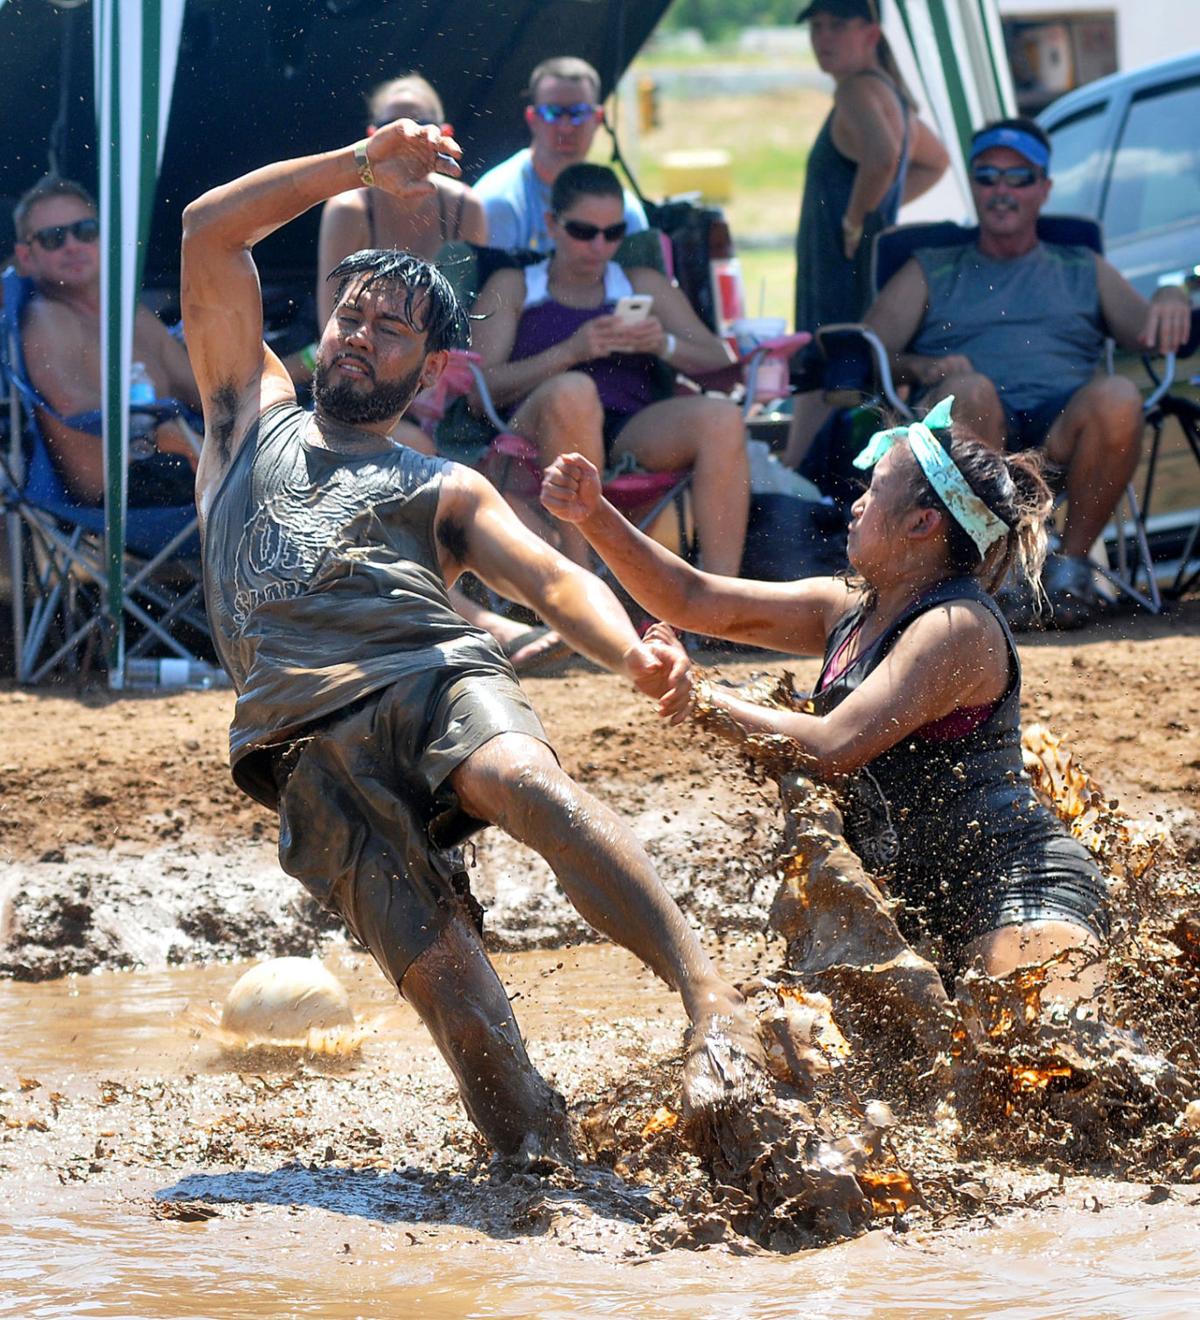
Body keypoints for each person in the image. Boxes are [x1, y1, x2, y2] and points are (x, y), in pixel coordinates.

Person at [180, 118, 764, 1160]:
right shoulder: (243, 415)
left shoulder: (442, 484)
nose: (360, 335)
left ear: (430, 368)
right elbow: (208, 232)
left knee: (529, 786)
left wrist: (627, 647)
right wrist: (357, 165)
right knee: (464, 1014)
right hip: (307, 749)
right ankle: (543, 1164)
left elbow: (544, 575)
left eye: (390, 330)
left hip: (435, 680)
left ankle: (710, 1004)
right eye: (351, 315)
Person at [542, 398, 1111, 1007]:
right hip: (916, 910)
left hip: (1020, 889)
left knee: (1033, 1062)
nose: (857, 502)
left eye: (875, 491)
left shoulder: (956, 625)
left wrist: (701, 696)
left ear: (923, 525)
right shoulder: (850, 606)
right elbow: (690, 596)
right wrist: (593, 514)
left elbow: (834, 746)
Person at [861, 117, 1193, 626]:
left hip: (1064, 436)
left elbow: (1151, 330)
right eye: (987, 176)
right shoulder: (931, 266)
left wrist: (1173, 290)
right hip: (971, 440)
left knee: (1119, 394)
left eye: (1019, 177)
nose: (1002, 190)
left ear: (1044, 188)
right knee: (971, 390)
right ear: (973, 186)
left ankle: (1071, 572)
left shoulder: (1081, 266)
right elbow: (868, 350)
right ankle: (999, 573)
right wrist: (924, 365)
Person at [313, 72, 564, 674]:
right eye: (392, 129)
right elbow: (338, 329)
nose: (410, 141)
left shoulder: (464, 208)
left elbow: (477, 330)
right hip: (363, 395)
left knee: (456, 457)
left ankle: (568, 605)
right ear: (373, 138)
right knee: (414, 459)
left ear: (442, 136)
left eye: (423, 128)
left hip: (448, 390)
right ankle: (480, 624)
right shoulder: (351, 207)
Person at [471, 162, 749, 575]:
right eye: (584, 232)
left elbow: (719, 361)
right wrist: (571, 350)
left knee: (723, 419)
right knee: (574, 391)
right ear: (552, 225)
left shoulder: (639, 282)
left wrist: (664, 344)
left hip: (626, 430)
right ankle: (583, 587)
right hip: (533, 429)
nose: (599, 246)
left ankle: (720, 598)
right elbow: (480, 393)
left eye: (613, 233)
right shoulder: (515, 285)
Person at [784, 0, 949, 469]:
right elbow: (932, 162)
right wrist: (882, 214)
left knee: (828, 375)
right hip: (865, 266)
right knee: (862, 384)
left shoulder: (856, 91)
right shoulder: (889, 92)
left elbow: (882, 157)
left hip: (839, 266)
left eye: (837, 26)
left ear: (871, 34)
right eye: (816, 27)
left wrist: (856, 218)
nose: (823, 38)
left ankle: (801, 491)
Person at [13, 176, 201, 507]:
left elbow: (203, 391)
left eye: (85, 230)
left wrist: (305, 364)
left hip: (179, 465)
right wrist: (175, 439)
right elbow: (71, 403)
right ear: (26, 257)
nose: (72, 245)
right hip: (125, 489)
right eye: (53, 238)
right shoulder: (46, 317)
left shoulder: (131, 315)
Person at [473, 56, 648, 254]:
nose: (565, 128)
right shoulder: (499, 202)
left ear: (598, 119)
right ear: (532, 119)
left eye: (578, 112)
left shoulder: (623, 213)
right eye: (552, 112)